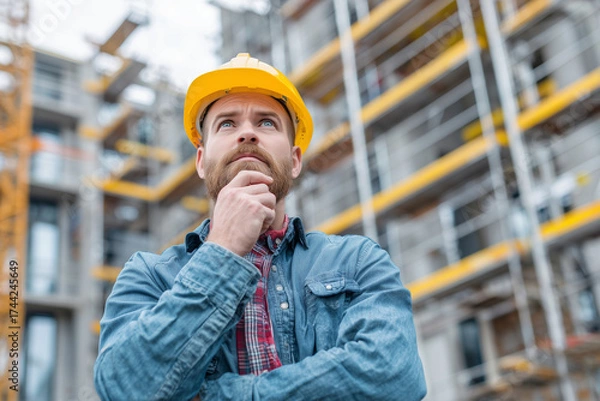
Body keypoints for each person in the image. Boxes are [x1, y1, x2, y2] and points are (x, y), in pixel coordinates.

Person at [94, 53, 427, 401]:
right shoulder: (150, 276)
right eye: (227, 124)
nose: (248, 133)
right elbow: (123, 389)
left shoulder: (357, 262)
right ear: (201, 161)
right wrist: (222, 250)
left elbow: (394, 377)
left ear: (294, 161)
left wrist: (217, 396)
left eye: (267, 122)